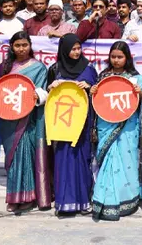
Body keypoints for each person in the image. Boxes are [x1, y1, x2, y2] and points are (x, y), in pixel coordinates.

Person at [0, 32, 51, 212]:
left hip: (28, 118)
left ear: (30, 45)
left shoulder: (39, 67)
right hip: (8, 118)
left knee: (26, 156)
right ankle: (14, 196)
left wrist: (37, 95)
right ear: (12, 47)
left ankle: (29, 196)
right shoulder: (5, 67)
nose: (21, 49)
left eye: (25, 45)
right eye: (17, 45)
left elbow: (41, 91)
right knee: (12, 158)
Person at [90, 41, 142, 221]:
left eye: (120, 57)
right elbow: (97, 104)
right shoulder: (103, 77)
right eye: (113, 57)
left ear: (127, 58)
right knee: (109, 162)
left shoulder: (136, 79)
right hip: (106, 126)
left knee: (126, 162)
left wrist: (141, 95)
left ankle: (127, 200)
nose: (116, 60)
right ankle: (104, 201)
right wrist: (92, 92)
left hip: (128, 128)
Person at [45, 34, 97, 214]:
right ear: (64, 50)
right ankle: (64, 202)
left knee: (82, 161)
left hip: (82, 123)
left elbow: (98, 92)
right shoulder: (55, 69)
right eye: (72, 49)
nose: (76, 52)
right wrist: (51, 86)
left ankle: (83, 202)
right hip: (61, 124)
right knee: (63, 161)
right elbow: (47, 95)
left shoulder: (89, 68)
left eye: (78, 48)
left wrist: (90, 87)